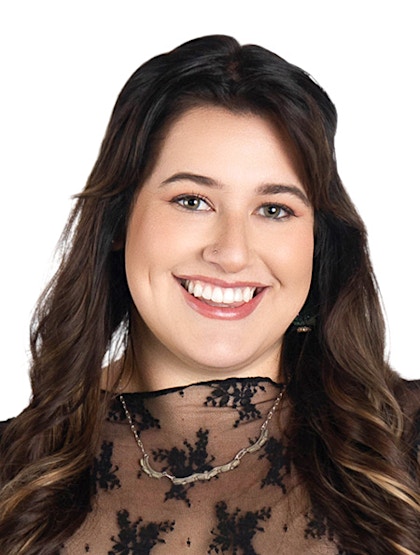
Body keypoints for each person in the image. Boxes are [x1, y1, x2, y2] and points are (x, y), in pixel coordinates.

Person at [0, 34, 419, 555]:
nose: (232, 253)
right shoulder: (14, 475)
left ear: (317, 241)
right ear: (119, 220)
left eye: (274, 209)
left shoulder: (405, 447)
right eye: (193, 201)